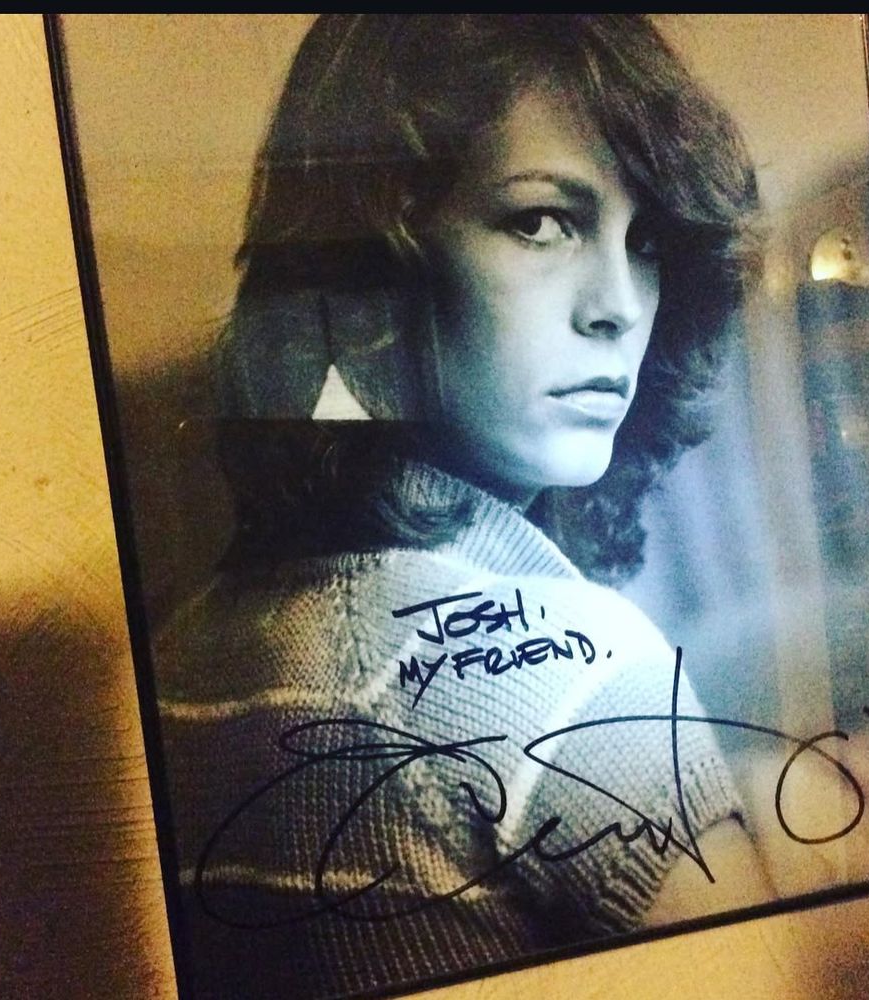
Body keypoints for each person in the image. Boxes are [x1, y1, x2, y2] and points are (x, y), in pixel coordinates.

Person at [154, 15, 772, 999]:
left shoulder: (179, 651)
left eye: (648, 239)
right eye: (541, 221)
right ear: (379, 262)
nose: (619, 304)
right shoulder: (569, 663)